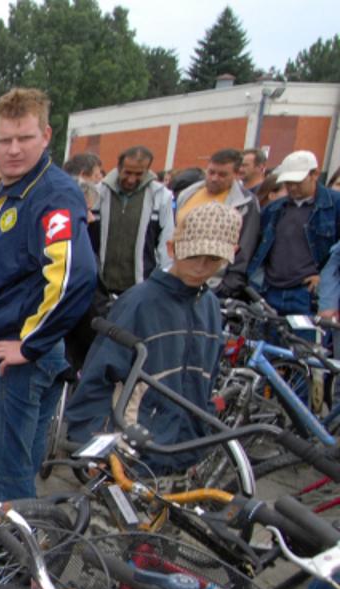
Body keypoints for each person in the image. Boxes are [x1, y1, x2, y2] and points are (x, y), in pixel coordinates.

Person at [0, 87, 96, 500]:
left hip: (10, 360)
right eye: (4, 140)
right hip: (6, 352)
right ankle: (21, 554)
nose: (13, 150)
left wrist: (29, 345)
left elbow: (74, 274)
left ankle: (5, 563)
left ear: (46, 135)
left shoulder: (50, 194)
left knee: (2, 480)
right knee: (12, 469)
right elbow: (24, 266)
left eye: (25, 138)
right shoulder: (15, 188)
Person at [66, 203, 241, 473]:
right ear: (172, 248)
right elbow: (97, 377)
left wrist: (201, 433)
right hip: (135, 450)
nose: (201, 267)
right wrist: (94, 445)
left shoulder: (210, 307)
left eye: (213, 259)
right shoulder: (138, 303)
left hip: (186, 449)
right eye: (194, 255)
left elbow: (208, 376)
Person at [248, 150, 340, 315]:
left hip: (307, 295)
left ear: (314, 175)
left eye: (297, 182)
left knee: (302, 341)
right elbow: (257, 248)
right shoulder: (274, 208)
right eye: (288, 182)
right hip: (269, 290)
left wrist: (323, 279)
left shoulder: (335, 206)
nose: (292, 187)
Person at [174, 148, 260, 296]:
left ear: (236, 174)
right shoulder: (188, 193)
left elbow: (245, 247)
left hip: (213, 282)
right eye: (211, 172)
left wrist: (228, 285)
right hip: (179, 275)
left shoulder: (246, 203)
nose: (214, 178)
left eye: (222, 175)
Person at [93, 146, 174, 295]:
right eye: (127, 172)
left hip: (141, 286)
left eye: (138, 174)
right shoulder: (99, 193)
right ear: (119, 167)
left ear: (148, 170)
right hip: (100, 284)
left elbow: (166, 242)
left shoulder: (161, 197)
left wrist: (164, 280)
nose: (131, 179)